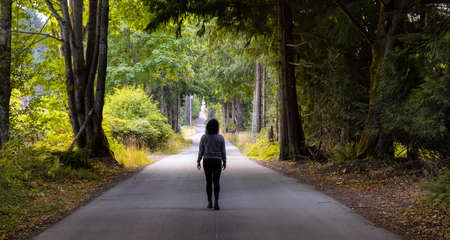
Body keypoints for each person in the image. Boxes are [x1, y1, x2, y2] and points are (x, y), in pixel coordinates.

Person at [197, 119, 226, 210]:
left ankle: (210, 202)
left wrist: (198, 161)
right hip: (217, 161)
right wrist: (224, 161)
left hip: (207, 161)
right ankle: (216, 202)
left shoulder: (204, 137)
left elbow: (201, 150)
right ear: (217, 127)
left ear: (208, 127)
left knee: (208, 182)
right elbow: (223, 151)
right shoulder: (220, 138)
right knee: (216, 181)